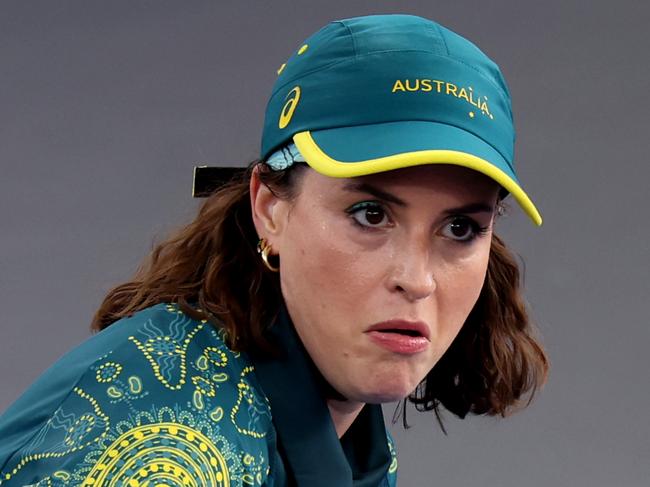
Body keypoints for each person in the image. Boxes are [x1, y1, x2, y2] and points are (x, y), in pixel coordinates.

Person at [0, 13, 548, 487]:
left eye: (459, 229)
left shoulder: (341, 431)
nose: (418, 279)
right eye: (371, 215)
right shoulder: (161, 445)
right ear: (269, 207)